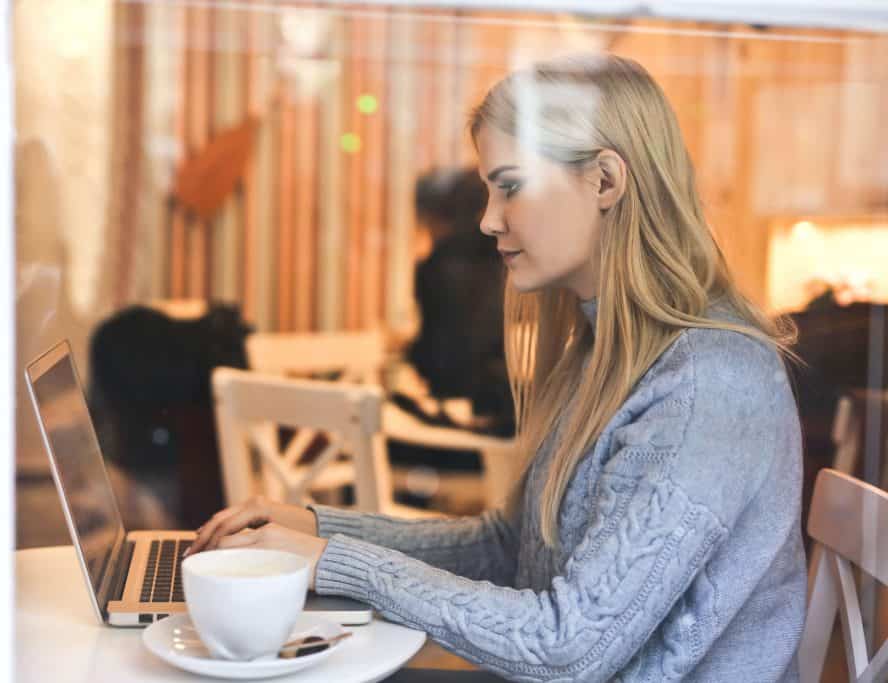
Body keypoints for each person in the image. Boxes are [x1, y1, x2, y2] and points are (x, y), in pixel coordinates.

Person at [185, 53, 807, 682]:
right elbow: (510, 549)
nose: (487, 219)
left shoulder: (707, 383)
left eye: (509, 185)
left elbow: (567, 648)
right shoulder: (601, 352)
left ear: (605, 182)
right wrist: (318, 530)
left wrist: (333, 563)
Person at [404, 167, 513, 436]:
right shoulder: (504, 265)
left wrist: (408, 350)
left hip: (452, 428)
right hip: (494, 417)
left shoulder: (432, 267)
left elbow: (435, 358)